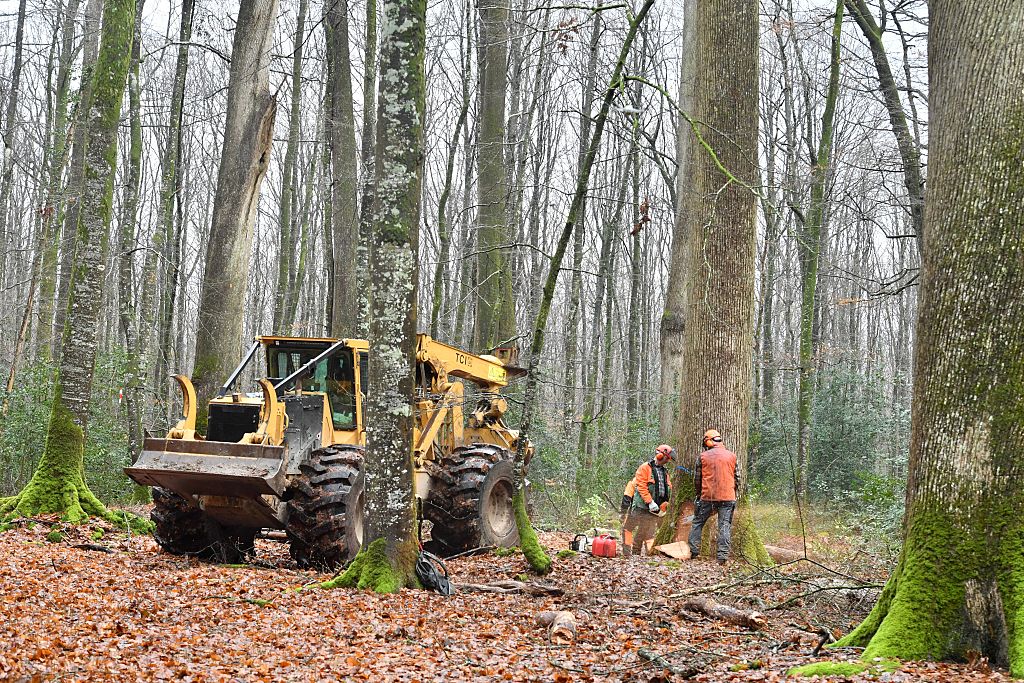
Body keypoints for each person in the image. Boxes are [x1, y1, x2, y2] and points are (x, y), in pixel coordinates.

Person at [688, 429, 739, 565]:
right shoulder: (732, 456)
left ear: (709, 441)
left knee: (698, 522)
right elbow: (737, 478)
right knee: (724, 526)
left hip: (708, 496)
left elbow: (697, 479)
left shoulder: (702, 457)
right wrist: (734, 493)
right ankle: (722, 556)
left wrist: (698, 495)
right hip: (728, 497)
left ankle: (694, 551)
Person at [625, 444, 675, 555]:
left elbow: (668, 487)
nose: (667, 461)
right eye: (666, 458)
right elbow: (641, 486)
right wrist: (650, 502)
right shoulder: (645, 468)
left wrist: (669, 501)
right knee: (634, 528)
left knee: (648, 531)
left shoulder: (664, 472)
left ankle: (647, 552)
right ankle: (632, 552)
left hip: (657, 506)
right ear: (660, 456)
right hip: (642, 506)